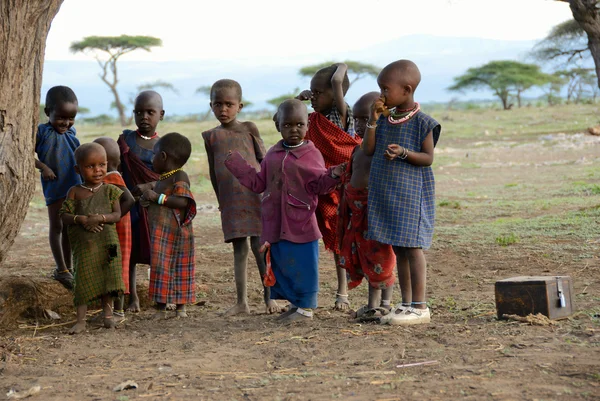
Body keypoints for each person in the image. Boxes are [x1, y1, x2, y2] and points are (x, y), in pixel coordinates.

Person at [225, 99, 345, 323]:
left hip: (301, 223)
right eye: (287, 125)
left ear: (307, 125)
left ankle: (306, 309)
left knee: (304, 265)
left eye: (299, 124)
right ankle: (294, 304)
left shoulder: (312, 153)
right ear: (277, 125)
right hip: (276, 222)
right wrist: (237, 164)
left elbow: (320, 185)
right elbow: (259, 183)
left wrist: (334, 175)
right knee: (284, 264)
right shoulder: (273, 153)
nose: (294, 130)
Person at [362, 60, 441, 325]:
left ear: (407, 90)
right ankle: (406, 304)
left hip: (411, 196)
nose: (381, 95)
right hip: (388, 194)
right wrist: (373, 121)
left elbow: (428, 158)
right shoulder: (385, 120)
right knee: (399, 248)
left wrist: (404, 153)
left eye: (385, 89)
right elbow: (368, 150)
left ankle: (420, 306)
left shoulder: (423, 123)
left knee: (413, 249)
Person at [202, 79, 279, 315]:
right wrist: (220, 201)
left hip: (254, 197)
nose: (223, 110)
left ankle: (270, 298)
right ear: (211, 105)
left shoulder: (249, 128)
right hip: (231, 202)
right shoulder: (210, 136)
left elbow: (264, 161)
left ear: (240, 106)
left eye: (229, 104)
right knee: (239, 250)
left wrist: (269, 194)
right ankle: (241, 302)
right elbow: (214, 172)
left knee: (260, 248)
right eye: (218, 104)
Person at [296, 63, 361, 310]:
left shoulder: (342, 114)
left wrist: (341, 65)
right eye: (312, 92)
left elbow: (336, 83)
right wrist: (300, 100)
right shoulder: (311, 119)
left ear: (335, 95)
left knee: (347, 239)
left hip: (344, 186)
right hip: (321, 187)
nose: (314, 97)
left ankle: (345, 291)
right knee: (334, 240)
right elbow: (284, 118)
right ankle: (338, 291)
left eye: (318, 93)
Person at [337, 92, 396, 321]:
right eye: (358, 119)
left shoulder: (385, 152)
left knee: (382, 258)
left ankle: (383, 304)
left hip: (376, 214)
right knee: (366, 257)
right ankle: (374, 305)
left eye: (366, 119)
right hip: (357, 213)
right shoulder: (357, 149)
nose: (359, 125)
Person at [59, 143, 126, 334]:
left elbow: (117, 215)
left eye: (102, 165)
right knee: (83, 279)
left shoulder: (110, 190)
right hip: (85, 246)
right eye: (90, 166)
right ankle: (81, 320)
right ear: (77, 169)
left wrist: (100, 218)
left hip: (109, 244)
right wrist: (80, 219)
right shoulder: (74, 191)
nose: (98, 170)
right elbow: (63, 216)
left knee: (109, 277)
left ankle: (108, 317)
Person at [140, 133, 196, 319]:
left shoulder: (179, 176)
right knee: (160, 268)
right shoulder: (163, 178)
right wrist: (147, 200)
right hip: (161, 234)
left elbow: (182, 202)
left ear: (163, 156)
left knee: (181, 268)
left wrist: (157, 197)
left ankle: (181, 308)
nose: (151, 159)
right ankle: (161, 308)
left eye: (154, 154)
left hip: (178, 234)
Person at [117, 90, 163, 312]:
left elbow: (169, 178)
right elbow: (116, 170)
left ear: (160, 115)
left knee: (158, 251)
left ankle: (161, 296)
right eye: (138, 112)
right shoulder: (125, 141)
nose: (144, 116)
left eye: (150, 112)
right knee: (131, 252)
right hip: (129, 205)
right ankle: (132, 296)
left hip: (154, 206)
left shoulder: (164, 146)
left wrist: (148, 186)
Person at [35, 85, 82, 289]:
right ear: (48, 112)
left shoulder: (72, 133)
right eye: (61, 117)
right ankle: (61, 269)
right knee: (57, 227)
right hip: (54, 186)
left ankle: (68, 268)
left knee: (70, 226)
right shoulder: (41, 132)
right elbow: (25, 153)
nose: (66, 123)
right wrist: (43, 166)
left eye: (71, 118)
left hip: (74, 185)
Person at [94, 137, 135, 322]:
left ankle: (118, 312)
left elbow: (129, 199)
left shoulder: (113, 177)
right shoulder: (110, 176)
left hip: (117, 235)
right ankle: (108, 312)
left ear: (106, 162)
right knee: (110, 270)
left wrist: (113, 218)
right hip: (114, 233)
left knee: (116, 270)